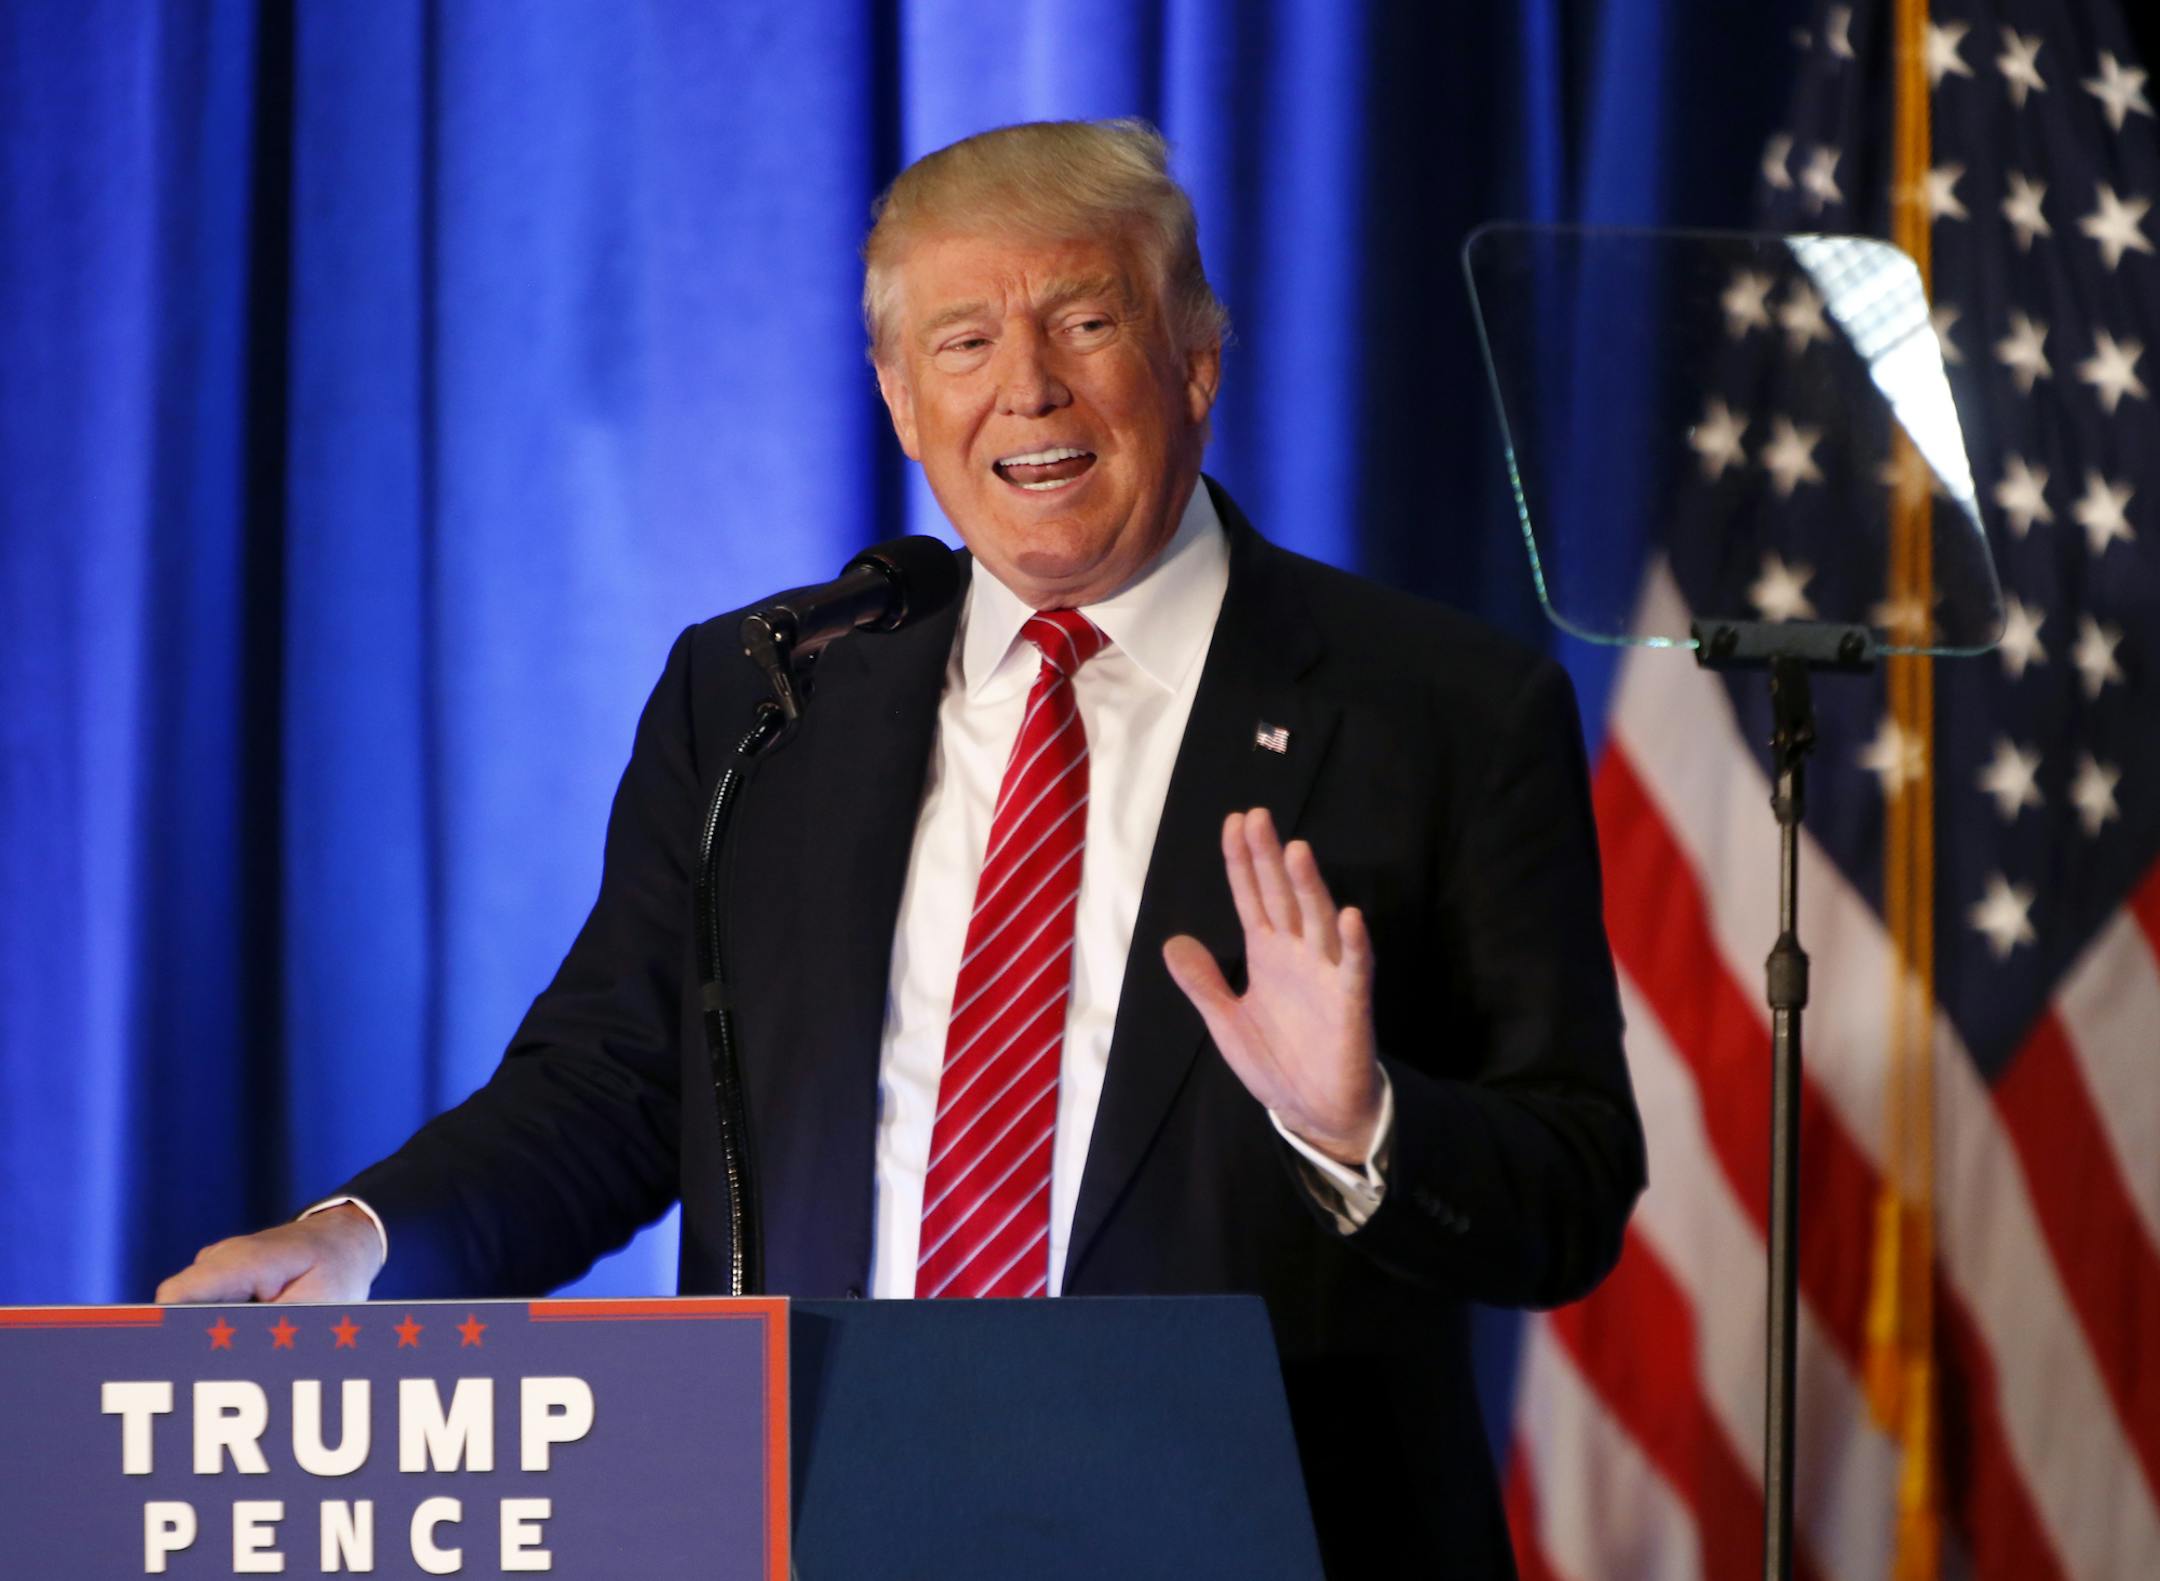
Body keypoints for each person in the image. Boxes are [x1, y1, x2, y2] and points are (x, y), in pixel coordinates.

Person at [159, 118, 1644, 1576]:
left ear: (1196, 353)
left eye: (1084, 319)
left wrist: (1359, 1122)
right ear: (894, 394)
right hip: (819, 1513)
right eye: (964, 343)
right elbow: (614, 1086)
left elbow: (1569, 1191)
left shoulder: (1438, 707)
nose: (1029, 390)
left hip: (1258, 1529)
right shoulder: (764, 697)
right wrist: (367, 1242)